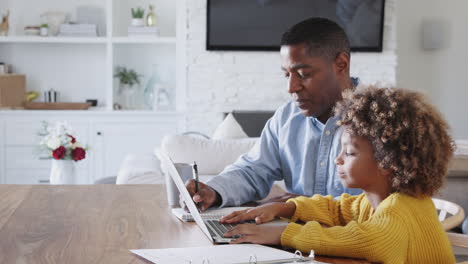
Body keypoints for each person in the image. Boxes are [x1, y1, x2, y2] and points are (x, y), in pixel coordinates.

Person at [221, 86, 456, 263]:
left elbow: (367, 240)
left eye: (350, 152)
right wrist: (286, 208)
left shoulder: (401, 208)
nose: (338, 158)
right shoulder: (374, 200)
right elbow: (338, 210)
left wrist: (283, 233)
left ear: (387, 162)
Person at [185, 17, 362, 211]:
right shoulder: (286, 118)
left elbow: (387, 205)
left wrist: (303, 207)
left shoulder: (380, 123)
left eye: (303, 74)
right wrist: (214, 192)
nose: (291, 87)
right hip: (289, 237)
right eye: (287, 75)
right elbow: (253, 170)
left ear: (341, 64)